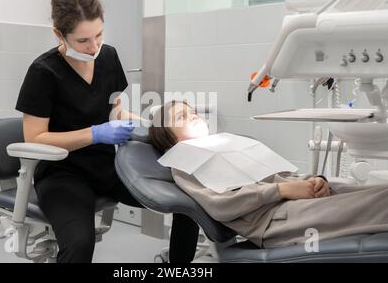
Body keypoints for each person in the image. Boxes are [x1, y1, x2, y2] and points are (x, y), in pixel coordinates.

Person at [15, 0, 199, 263]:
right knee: (79, 243)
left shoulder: (108, 57)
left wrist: (154, 127)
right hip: (63, 174)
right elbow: (34, 138)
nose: (93, 47)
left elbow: (117, 112)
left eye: (99, 35)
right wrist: (94, 133)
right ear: (59, 35)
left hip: (109, 167)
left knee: (189, 205)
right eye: (83, 40)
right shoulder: (43, 72)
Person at [149, 100, 388, 249]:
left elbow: (281, 175)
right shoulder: (184, 163)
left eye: (193, 113)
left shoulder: (224, 146)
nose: (193, 116)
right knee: (382, 202)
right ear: (169, 138)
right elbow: (221, 205)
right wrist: (282, 190)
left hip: (293, 200)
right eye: (182, 117)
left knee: (373, 192)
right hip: (276, 220)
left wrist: (314, 181)